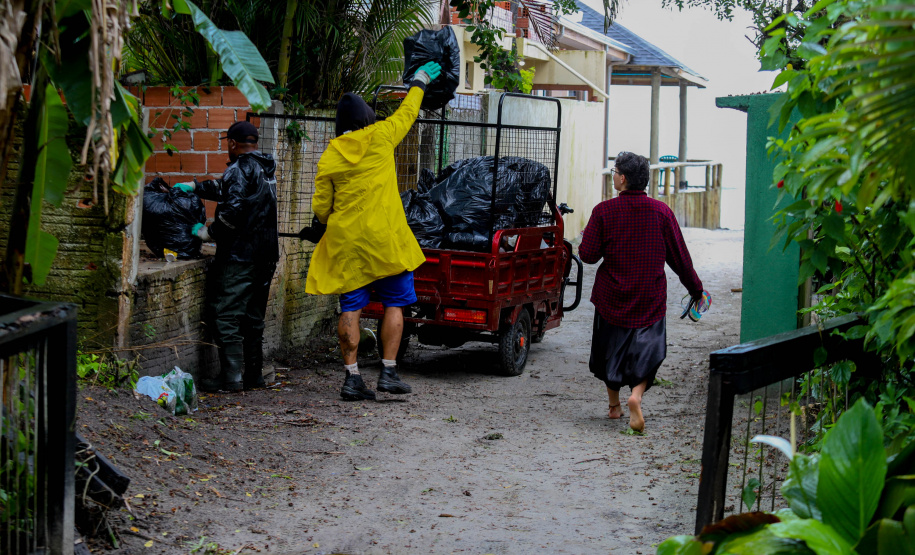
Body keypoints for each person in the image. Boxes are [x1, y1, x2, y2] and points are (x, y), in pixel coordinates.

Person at [305, 61, 442, 401]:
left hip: (348, 244)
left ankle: (352, 378)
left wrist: (323, 224)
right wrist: (421, 81)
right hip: (386, 241)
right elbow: (408, 112)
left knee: (350, 307)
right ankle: (389, 372)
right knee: (395, 304)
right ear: (366, 119)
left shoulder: (330, 157)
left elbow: (321, 208)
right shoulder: (381, 136)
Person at [578, 152, 704, 432]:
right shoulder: (661, 213)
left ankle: (614, 407)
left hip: (611, 297)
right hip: (649, 298)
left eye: (614, 171)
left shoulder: (603, 211)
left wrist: (587, 235)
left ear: (622, 179)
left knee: (609, 352)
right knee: (648, 352)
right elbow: (680, 259)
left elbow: (587, 255)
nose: (613, 175)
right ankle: (636, 396)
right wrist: (696, 290)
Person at [173, 121, 279, 392]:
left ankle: (231, 378)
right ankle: (253, 374)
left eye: (226, 143)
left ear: (232, 143)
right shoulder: (265, 168)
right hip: (266, 255)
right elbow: (227, 189)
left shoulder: (240, 168)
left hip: (241, 256)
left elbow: (232, 210)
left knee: (226, 313)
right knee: (253, 317)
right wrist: (195, 186)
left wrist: (210, 233)